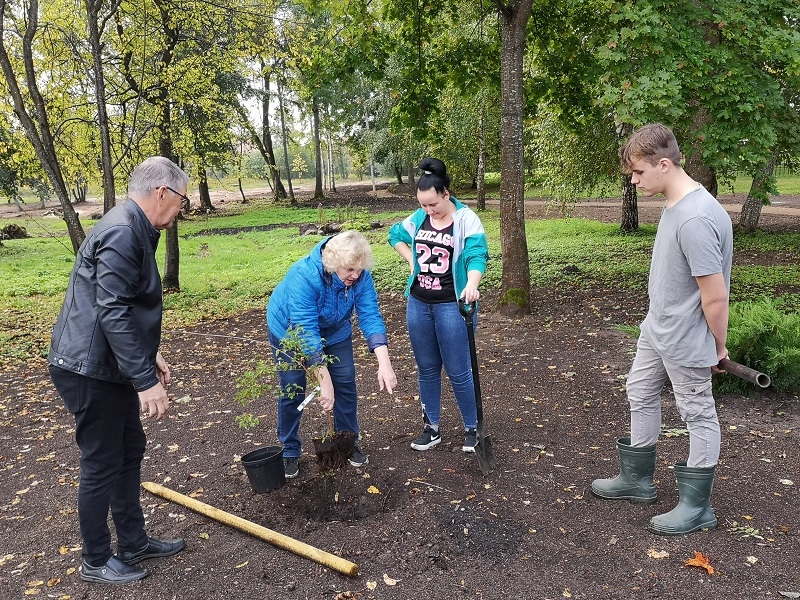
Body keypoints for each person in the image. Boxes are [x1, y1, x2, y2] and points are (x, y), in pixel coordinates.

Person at [48, 157, 189, 584]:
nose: (181, 208)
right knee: (102, 461)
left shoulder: (135, 227)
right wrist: (145, 381)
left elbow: (122, 304)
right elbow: (112, 312)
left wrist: (149, 354)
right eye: (182, 200)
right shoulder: (124, 231)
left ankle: (133, 542)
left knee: (128, 450)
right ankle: (94, 559)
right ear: (162, 192)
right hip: (89, 368)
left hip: (108, 363)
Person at [591, 123, 733, 535]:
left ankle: (697, 507)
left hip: (685, 335)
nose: (634, 181)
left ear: (664, 165)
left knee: (697, 412)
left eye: (638, 172)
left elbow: (715, 297)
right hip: (658, 327)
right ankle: (637, 480)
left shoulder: (696, 218)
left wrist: (717, 346)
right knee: (639, 389)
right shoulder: (678, 204)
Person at [266, 230, 397, 479]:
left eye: (359, 270)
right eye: (350, 269)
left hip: (335, 331)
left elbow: (370, 314)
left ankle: (347, 443)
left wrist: (384, 363)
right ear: (333, 263)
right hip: (290, 331)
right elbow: (306, 330)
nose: (355, 275)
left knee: (345, 382)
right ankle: (290, 449)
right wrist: (323, 380)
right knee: (293, 387)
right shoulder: (304, 275)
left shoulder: (361, 277)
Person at [388, 158, 489, 453]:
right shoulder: (419, 217)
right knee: (427, 368)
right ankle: (431, 428)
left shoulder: (466, 219)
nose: (428, 210)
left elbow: (476, 254)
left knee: (458, 370)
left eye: (433, 204)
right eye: (423, 205)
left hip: (451, 305)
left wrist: (472, 283)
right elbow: (395, 235)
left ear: (446, 194)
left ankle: (472, 428)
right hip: (419, 304)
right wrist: (411, 260)